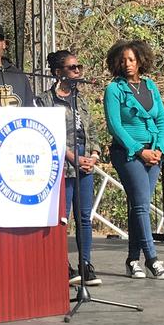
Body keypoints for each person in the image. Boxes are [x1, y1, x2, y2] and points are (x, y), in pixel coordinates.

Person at [103, 39, 164, 281]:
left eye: (131, 59)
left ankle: (132, 260)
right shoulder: (113, 90)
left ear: (141, 60)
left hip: (153, 154)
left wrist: (159, 150)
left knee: (138, 205)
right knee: (142, 205)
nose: (127, 64)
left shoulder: (150, 86)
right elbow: (115, 125)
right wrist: (138, 150)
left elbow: (162, 120)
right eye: (122, 60)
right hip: (128, 154)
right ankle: (153, 259)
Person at [38, 50, 102, 287]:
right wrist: (71, 156)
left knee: (84, 217)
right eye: (72, 67)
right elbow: (46, 133)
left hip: (84, 166)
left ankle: (86, 265)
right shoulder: (44, 100)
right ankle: (62, 265)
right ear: (58, 73)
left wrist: (93, 155)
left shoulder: (81, 100)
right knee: (62, 218)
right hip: (62, 167)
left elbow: (92, 131)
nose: (77, 71)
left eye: (79, 67)